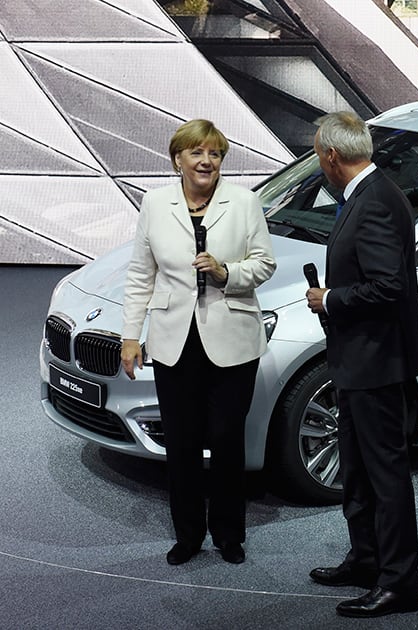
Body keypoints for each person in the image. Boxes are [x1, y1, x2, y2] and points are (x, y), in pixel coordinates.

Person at [120, 119, 276, 566]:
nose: (207, 161)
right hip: (173, 338)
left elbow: (264, 265)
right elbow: (140, 274)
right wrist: (132, 335)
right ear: (178, 160)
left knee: (227, 439)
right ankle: (188, 534)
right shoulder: (154, 203)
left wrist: (227, 272)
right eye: (197, 153)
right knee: (182, 443)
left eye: (215, 154)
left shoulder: (244, 203)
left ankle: (229, 533)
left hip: (232, 337)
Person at [305, 111, 418, 618]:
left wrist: (330, 299)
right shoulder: (372, 193)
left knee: (385, 475)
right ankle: (366, 558)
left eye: (317, 155)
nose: (319, 163)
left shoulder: (374, 202)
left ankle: (399, 585)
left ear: (331, 156)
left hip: (376, 363)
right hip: (360, 361)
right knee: (356, 472)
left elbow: (387, 286)